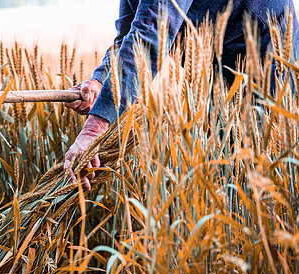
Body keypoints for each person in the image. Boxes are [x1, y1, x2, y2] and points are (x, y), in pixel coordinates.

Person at [63, 0, 299, 190]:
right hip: (215, 56)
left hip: (266, 45)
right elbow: (128, 34)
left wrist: (94, 129)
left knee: (262, 165)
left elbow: (151, 33)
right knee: (223, 165)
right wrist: (99, 80)